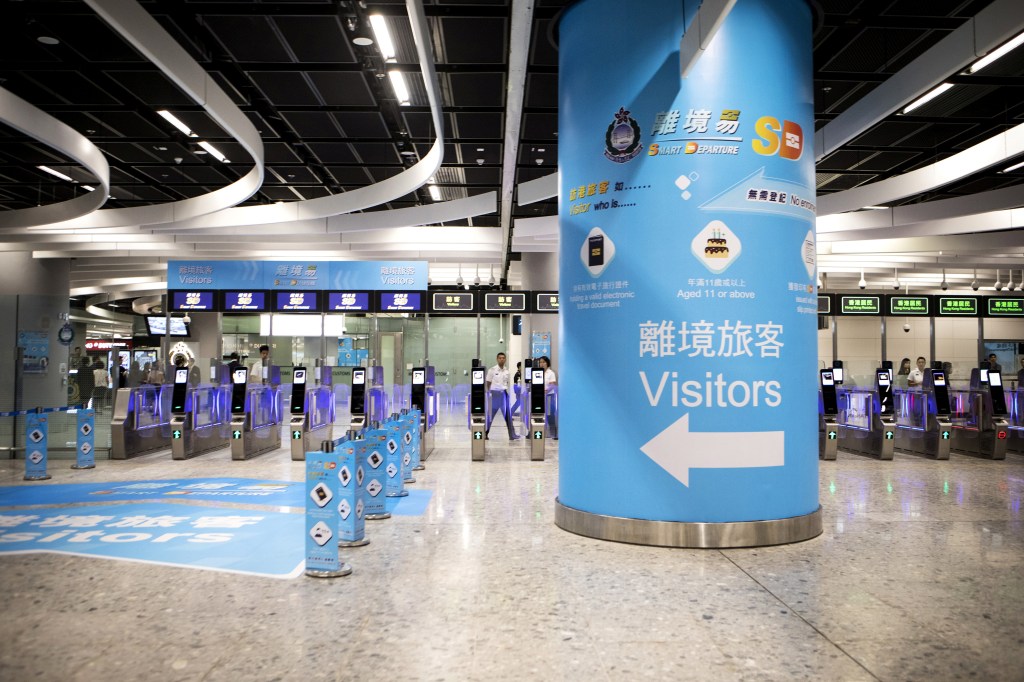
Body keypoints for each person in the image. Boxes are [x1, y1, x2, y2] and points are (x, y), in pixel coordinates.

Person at [485, 352, 518, 440]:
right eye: (500, 358)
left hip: (503, 394)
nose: (501, 359)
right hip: (494, 394)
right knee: (490, 416)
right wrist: (489, 393)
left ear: (505, 359)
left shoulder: (507, 371)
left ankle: (512, 435)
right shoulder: (492, 370)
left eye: (503, 358)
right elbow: (488, 382)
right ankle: (485, 433)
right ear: (497, 359)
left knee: (508, 415)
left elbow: (506, 383)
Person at [538, 355, 558, 439]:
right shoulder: (538, 373)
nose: (542, 364)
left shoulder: (551, 373)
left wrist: (545, 391)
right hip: (539, 396)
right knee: (540, 414)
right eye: (540, 362)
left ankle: (554, 433)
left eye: (543, 362)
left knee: (550, 415)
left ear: (547, 363)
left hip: (549, 396)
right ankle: (542, 433)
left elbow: (552, 385)